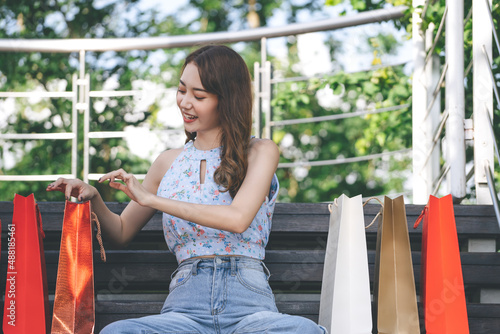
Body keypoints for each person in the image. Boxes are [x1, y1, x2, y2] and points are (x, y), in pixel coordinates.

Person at [47, 45, 327, 334]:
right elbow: (119, 232)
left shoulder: (259, 151)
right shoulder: (168, 162)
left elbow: (237, 218)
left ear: (227, 100)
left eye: (199, 95)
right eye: (182, 90)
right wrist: (94, 198)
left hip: (251, 312)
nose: (185, 102)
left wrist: (152, 199)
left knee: (304, 330)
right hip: (184, 313)